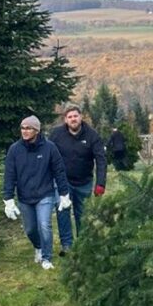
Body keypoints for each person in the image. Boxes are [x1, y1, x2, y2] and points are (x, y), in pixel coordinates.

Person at [3, 115, 72, 270]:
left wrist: (64, 194)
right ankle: (38, 247)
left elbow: (59, 171)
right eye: (22, 128)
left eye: (28, 128)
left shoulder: (49, 148)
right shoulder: (15, 150)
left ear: (36, 130)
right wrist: (8, 199)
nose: (24, 131)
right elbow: (9, 174)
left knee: (44, 225)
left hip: (45, 194)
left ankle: (46, 258)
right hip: (25, 196)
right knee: (30, 229)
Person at [48, 103, 107, 255]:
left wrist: (100, 183)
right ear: (65, 119)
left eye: (75, 116)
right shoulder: (56, 134)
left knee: (83, 214)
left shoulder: (92, 135)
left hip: (84, 181)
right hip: (63, 181)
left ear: (81, 117)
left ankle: (83, 244)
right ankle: (67, 245)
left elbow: (101, 160)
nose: (73, 119)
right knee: (63, 211)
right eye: (70, 117)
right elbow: (48, 156)